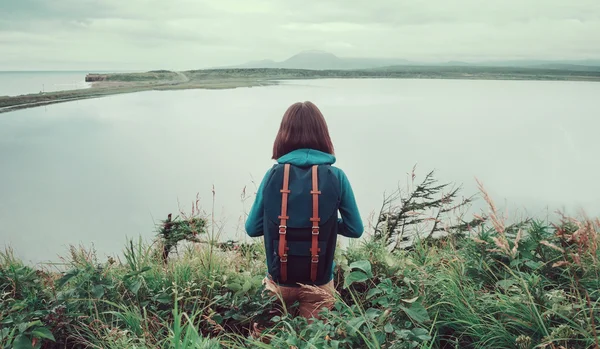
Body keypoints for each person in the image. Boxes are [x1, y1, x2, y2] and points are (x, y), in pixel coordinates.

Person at [245, 101, 364, 323]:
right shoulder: (337, 177)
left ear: (283, 135)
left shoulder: (272, 175)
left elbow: (252, 229)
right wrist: (325, 225)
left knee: (268, 340)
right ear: (323, 135)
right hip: (318, 284)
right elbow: (355, 229)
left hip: (278, 282)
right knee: (317, 341)